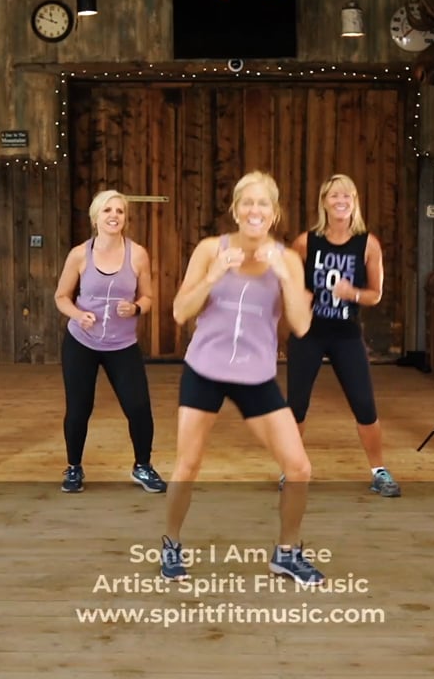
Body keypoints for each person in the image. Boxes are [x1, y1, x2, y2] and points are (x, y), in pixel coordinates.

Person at [158, 171, 324, 586]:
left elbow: (302, 326)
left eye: (263, 204)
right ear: (235, 210)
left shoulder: (287, 260)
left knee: (299, 467)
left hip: (256, 376)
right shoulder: (211, 249)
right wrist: (214, 274)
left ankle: (287, 553)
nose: (254, 210)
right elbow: (180, 312)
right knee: (188, 463)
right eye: (247, 203)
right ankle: (171, 543)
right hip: (205, 371)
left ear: (274, 213)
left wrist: (287, 280)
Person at [285, 174, 400, 497]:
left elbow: (375, 294)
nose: (341, 200)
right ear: (324, 201)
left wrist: (352, 293)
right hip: (309, 332)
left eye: (347, 195)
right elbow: (288, 280)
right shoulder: (306, 242)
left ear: (355, 202)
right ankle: (291, 469)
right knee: (296, 405)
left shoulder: (368, 244)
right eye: (334, 195)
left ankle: (379, 471)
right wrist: (299, 297)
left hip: (346, 333)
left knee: (364, 404)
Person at [53, 189, 166, 494]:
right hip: (82, 342)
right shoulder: (79, 254)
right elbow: (61, 297)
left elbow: (148, 297)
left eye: (119, 211)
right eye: (107, 211)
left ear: (125, 219)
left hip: (123, 344)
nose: (114, 216)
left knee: (139, 406)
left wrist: (136, 307)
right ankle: (74, 467)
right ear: (96, 217)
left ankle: (142, 466)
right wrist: (77, 314)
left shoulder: (138, 254)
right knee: (78, 409)